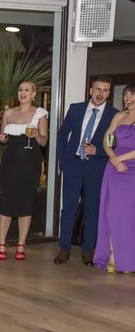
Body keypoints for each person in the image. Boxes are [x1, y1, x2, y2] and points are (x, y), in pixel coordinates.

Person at [53, 77, 118, 265]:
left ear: (109, 93)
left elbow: (115, 143)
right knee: (69, 209)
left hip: (96, 167)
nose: (101, 93)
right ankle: (64, 248)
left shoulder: (114, 115)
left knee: (93, 209)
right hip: (73, 165)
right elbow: (62, 134)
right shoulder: (76, 109)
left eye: (105, 90)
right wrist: (64, 160)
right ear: (91, 90)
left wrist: (98, 150)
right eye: (98, 89)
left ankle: (88, 250)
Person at [0, 81, 49, 261]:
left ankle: (21, 245)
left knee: (26, 202)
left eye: (27, 90)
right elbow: (3, 138)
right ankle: (1, 244)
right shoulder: (9, 113)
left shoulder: (40, 114)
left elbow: (44, 142)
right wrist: (1, 138)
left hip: (30, 161)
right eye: (20, 90)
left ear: (34, 94)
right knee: (7, 201)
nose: (23, 93)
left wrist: (36, 135)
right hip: (10, 161)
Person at [94, 82, 135, 273]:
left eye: (132, 94)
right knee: (112, 212)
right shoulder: (119, 116)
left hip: (132, 168)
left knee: (129, 215)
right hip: (114, 168)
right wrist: (113, 157)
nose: (128, 98)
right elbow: (107, 139)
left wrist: (120, 159)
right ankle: (112, 255)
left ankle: (128, 259)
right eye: (126, 94)